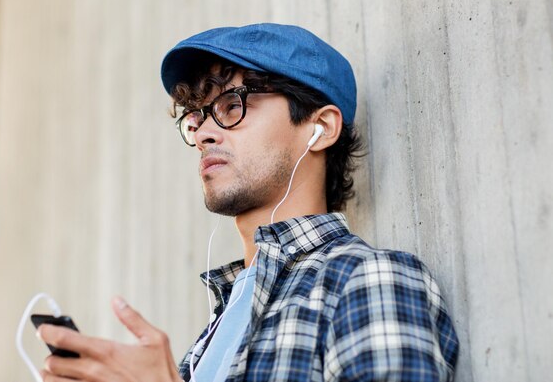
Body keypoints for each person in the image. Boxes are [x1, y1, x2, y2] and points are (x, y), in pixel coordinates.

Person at [37, 23, 459, 382]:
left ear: (321, 128)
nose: (203, 133)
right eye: (197, 116)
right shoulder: (213, 333)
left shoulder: (366, 280)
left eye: (231, 105)